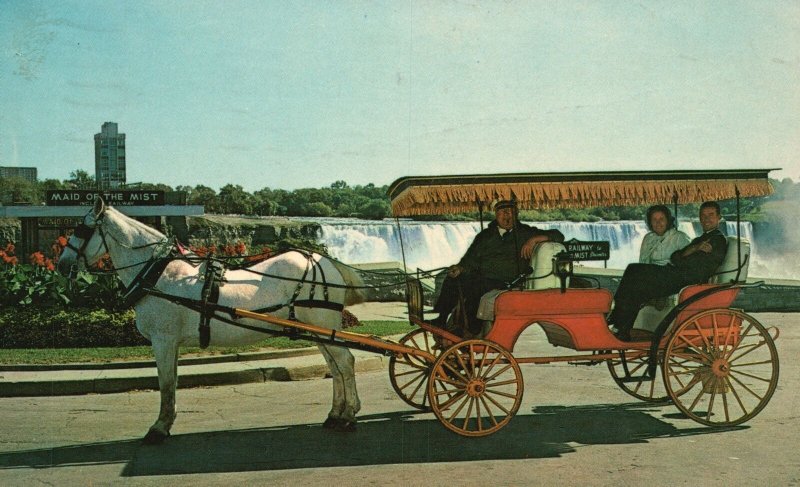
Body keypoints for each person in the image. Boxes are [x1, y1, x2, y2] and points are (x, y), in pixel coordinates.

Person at [430, 199, 564, 336]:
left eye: (510, 212)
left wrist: (535, 239)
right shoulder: (485, 236)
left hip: (508, 281)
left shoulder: (526, 233)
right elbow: (469, 259)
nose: (506, 216)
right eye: (502, 213)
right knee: (453, 278)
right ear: (495, 215)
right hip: (482, 277)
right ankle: (441, 319)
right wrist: (460, 268)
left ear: (516, 214)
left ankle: (470, 330)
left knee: (476, 289)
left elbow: (559, 235)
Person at [608, 201, 727, 341]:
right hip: (677, 273)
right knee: (636, 289)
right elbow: (675, 257)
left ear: (719, 217)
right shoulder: (701, 239)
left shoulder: (718, 240)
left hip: (685, 278)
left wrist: (686, 255)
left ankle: (615, 316)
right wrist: (694, 249)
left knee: (633, 269)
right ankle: (623, 330)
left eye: (711, 215)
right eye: (703, 215)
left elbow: (697, 266)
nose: (706, 219)